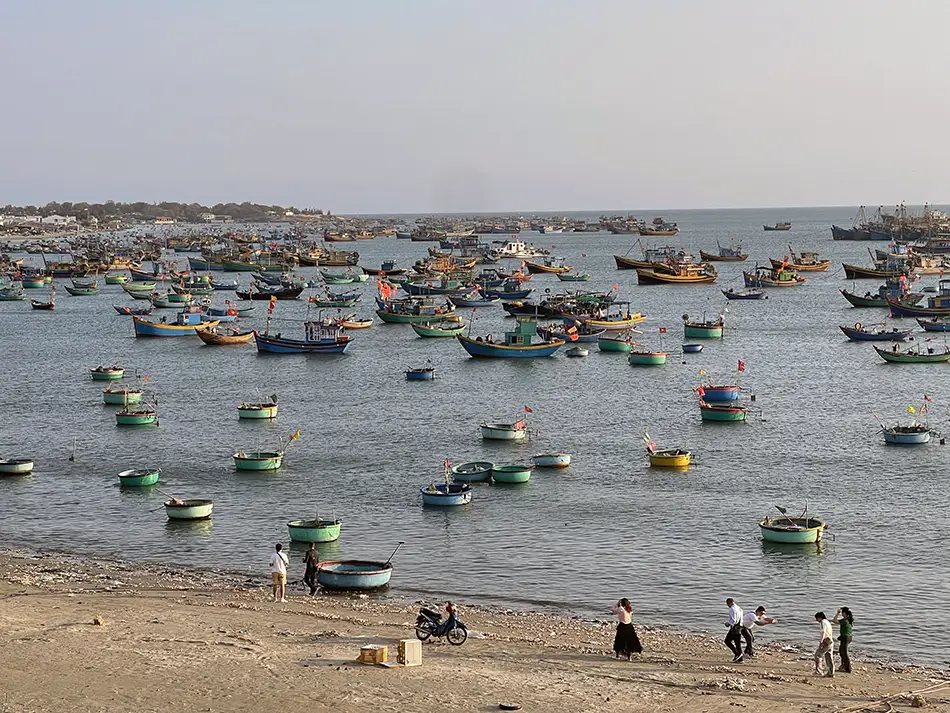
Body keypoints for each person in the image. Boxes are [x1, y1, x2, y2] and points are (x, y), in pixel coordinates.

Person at [833, 607, 854, 673]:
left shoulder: (844, 620)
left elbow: (835, 621)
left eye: (842, 612)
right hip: (848, 637)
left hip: (845, 637)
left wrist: (837, 613)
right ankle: (843, 665)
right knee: (841, 651)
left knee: (844, 653)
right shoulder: (849, 619)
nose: (841, 613)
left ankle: (848, 668)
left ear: (844, 613)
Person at [814, 611, 835, 677]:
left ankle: (819, 670)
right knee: (829, 658)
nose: (816, 620)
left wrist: (821, 641)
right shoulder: (827, 622)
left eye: (817, 618)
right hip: (830, 641)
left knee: (817, 655)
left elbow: (823, 632)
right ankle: (831, 673)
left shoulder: (823, 622)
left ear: (820, 617)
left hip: (826, 641)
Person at [724, 598, 744, 662]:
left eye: (727, 604)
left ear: (729, 603)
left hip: (734, 628)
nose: (727, 605)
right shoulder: (739, 608)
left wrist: (728, 624)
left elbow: (733, 620)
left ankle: (737, 653)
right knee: (737, 643)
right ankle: (740, 658)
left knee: (727, 641)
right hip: (740, 626)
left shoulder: (732, 609)